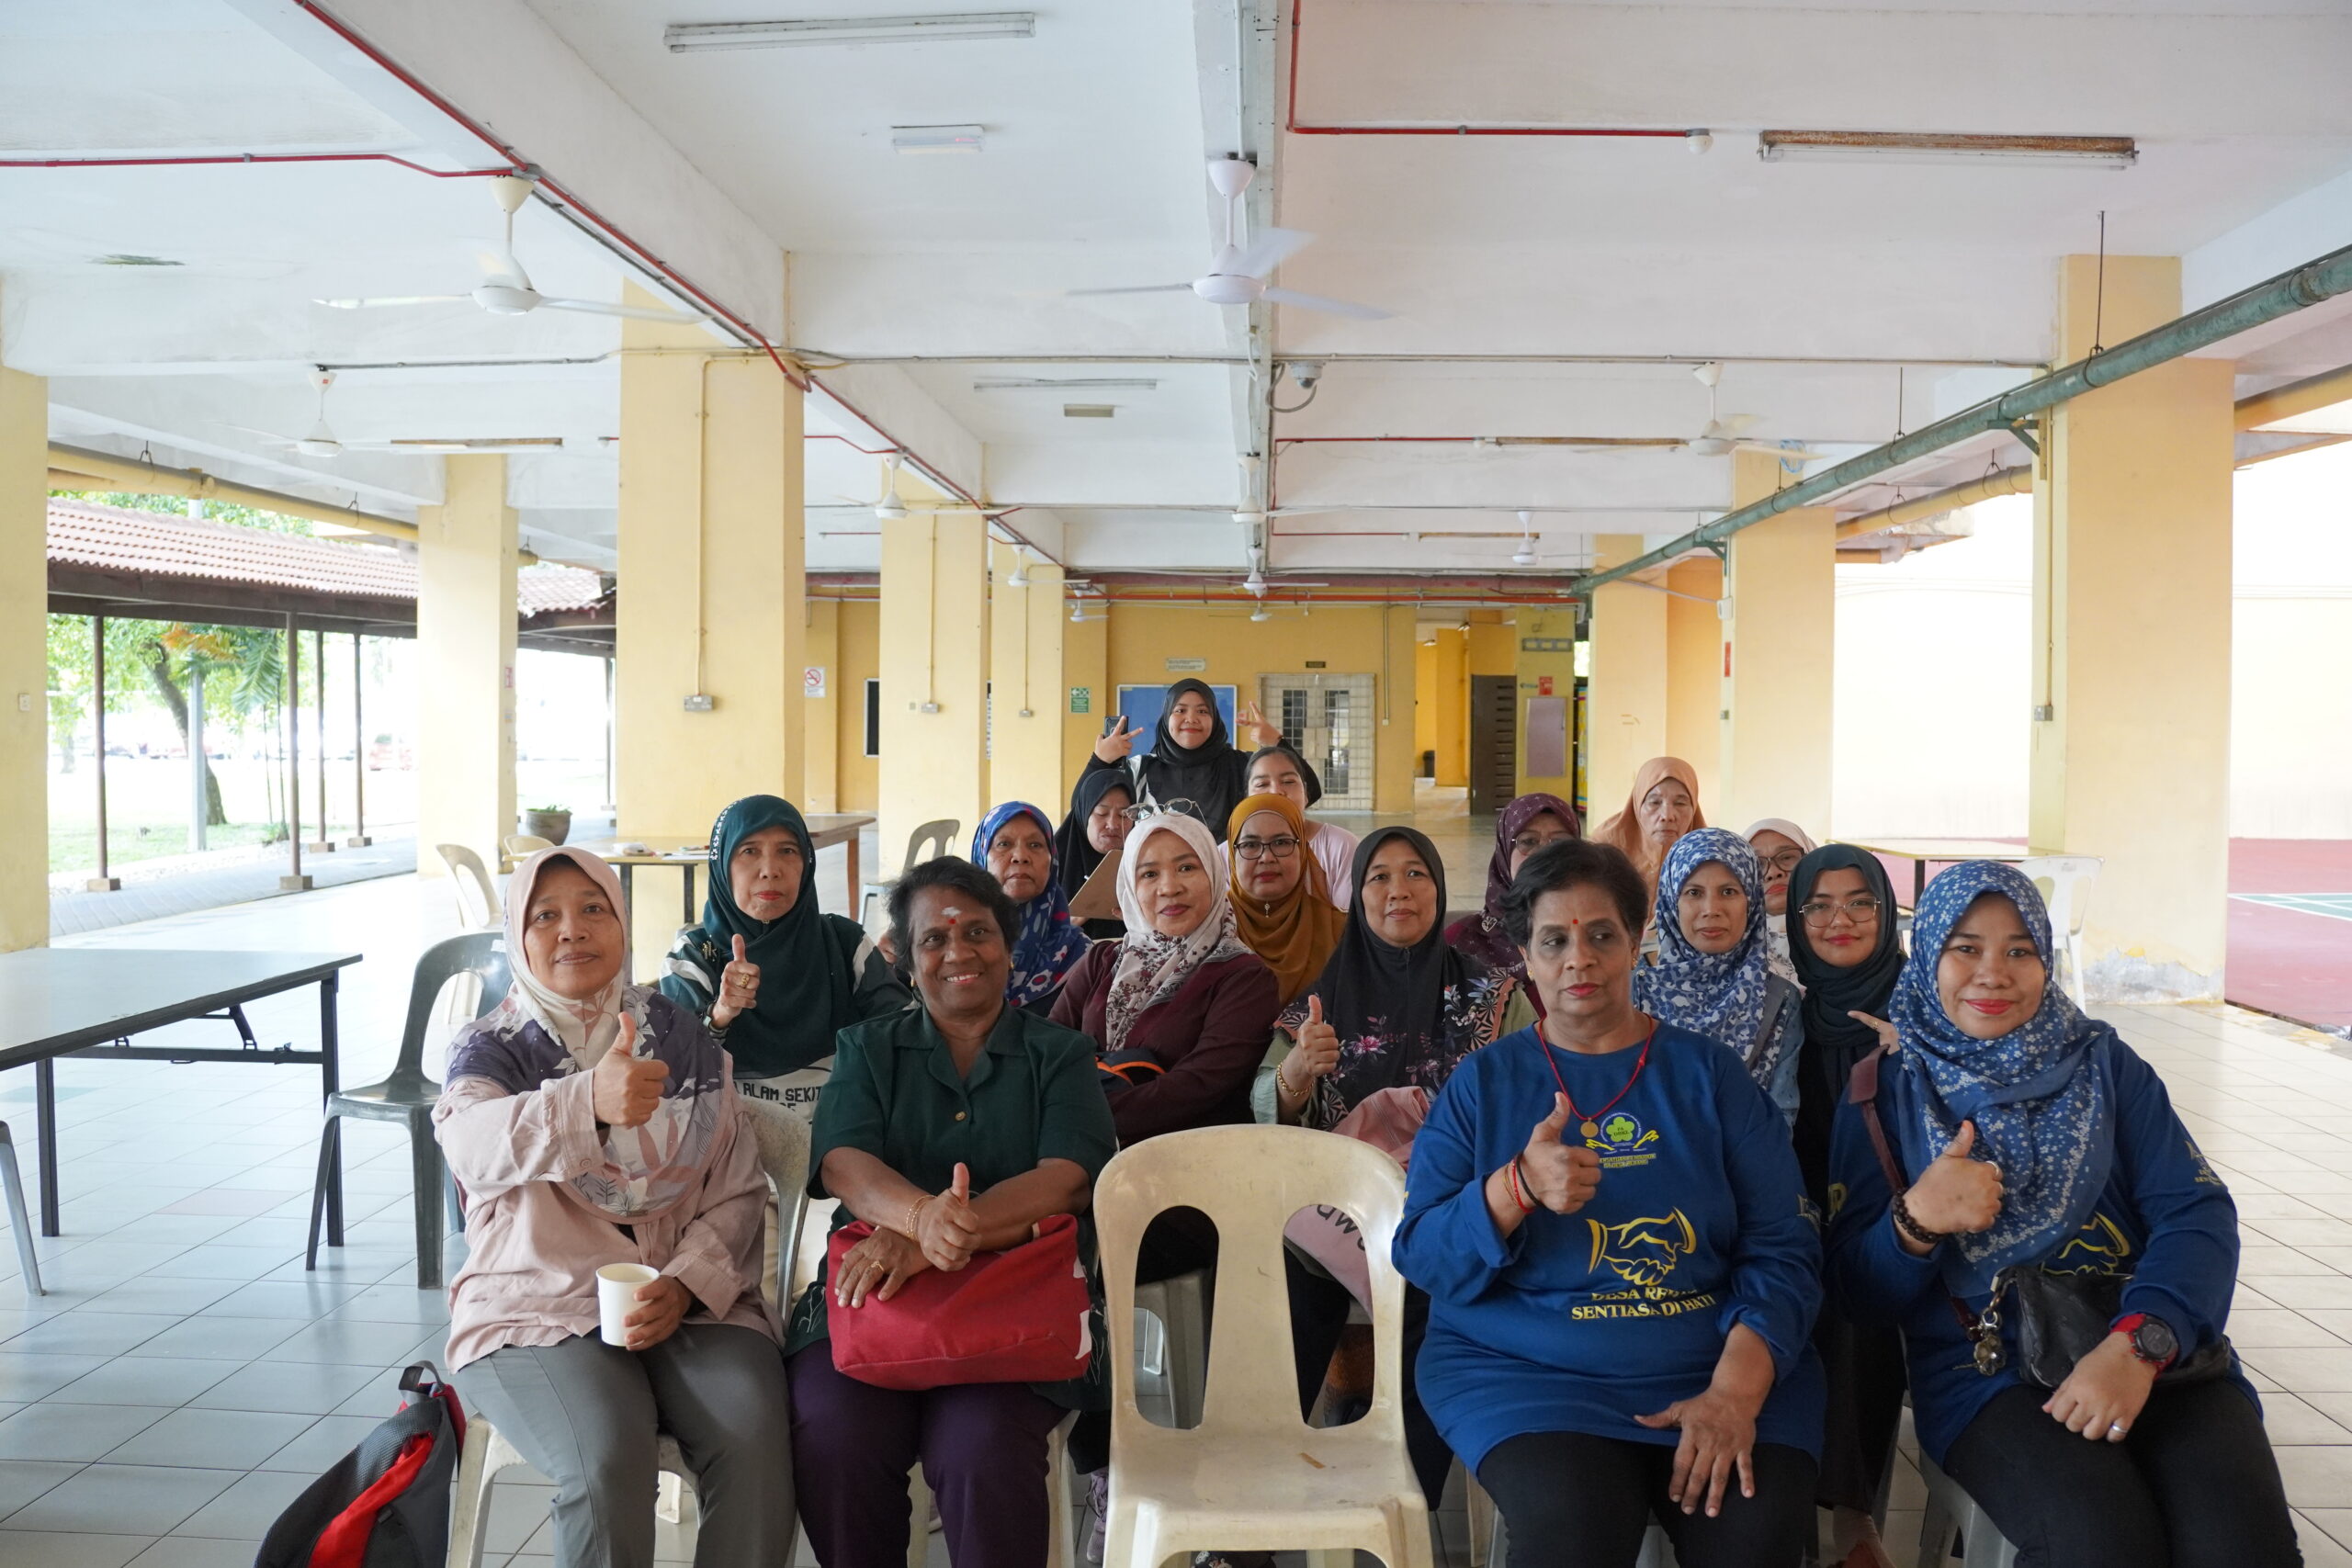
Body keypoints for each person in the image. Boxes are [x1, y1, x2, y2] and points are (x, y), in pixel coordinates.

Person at [1826, 863, 2297, 1568]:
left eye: (2020, 949)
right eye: (1965, 948)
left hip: (2152, 1347)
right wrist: (1915, 1220)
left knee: (2240, 1544)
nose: (1994, 972)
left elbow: (2196, 1213)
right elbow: (1855, 1291)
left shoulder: (2105, 1066)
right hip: (1991, 1373)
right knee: (2100, 1540)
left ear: (2046, 960)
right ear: (1926, 958)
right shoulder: (1884, 1094)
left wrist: (2141, 1342)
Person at [1397, 839, 1825, 1568]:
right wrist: (1514, 1187)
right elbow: (1423, 1254)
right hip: (1527, 1374)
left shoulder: (1711, 1077)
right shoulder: (1483, 1085)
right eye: (1554, 941)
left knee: (1755, 1536)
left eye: (1601, 935)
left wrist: (1734, 1390)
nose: (1579, 959)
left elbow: (1785, 1245)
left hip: (1714, 1363)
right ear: (1526, 958)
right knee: (1574, 1529)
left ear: (1636, 939)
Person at [438, 847, 793, 1568]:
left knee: (756, 1437)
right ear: (518, 935)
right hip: (541, 1305)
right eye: (546, 915)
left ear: (623, 923)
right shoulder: (489, 1048)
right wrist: (584, 1102)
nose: (571, 929)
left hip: (691, 1301)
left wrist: (687, 1281)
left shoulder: (682, 1039)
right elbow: (470, 1146)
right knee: (607, 1456)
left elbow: (737, 1186)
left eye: (592, 908)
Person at [786, 857, 1118, 1568]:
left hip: (1016, 1305)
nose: (958, 950)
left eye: (977, 932)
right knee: (835, 1433)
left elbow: (1066, 1179)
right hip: (873, 1299)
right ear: (906, 962)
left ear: (1008, 944)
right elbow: (842, 1160)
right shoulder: (865, 1048)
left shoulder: (1062, 1054)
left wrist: (927, 1240)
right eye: (933, 939)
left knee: (982, 1448)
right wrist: (919, 1217)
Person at [1258, 826, 1512, 1507]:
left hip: (1450, 1209)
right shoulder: (1320, 1000)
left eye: (1416, 873)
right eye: (1379, 877)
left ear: (1439, 887)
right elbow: (1266, 1110)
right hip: (1335, 1216)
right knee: (1279, 1289)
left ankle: (1397, 1507)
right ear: (1358, 894)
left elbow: (1524, 1097)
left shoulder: (1493, 994)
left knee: (1436, 1297)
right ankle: (1251, 1514)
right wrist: (1296, 1073)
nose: (1399, 890)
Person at [1049, 807, 1282, 1489]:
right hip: (1091, 1182)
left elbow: (1198, 1088)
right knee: (1041, 1239)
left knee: (1076, 1252)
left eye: (1186, 868)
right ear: (1129, 885)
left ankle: (1102, 1462)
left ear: (1214, 875)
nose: (1169, 887)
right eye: (1149, 873)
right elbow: (1048, 1058)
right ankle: (1049, 1444)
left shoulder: (1242, 976)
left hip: (1191, 1195)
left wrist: (1085, 1122)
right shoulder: (1101, 962)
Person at [1782, 844, 1907, 1568]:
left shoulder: (1927, 1003)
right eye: (1819, 905)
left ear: (1887, 911)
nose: (1841, 920)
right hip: (1809, 1216)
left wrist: (1913, 1062)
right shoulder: (1788, 1016)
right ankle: (1786, 1507)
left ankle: (1851, 1519)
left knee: (1856, 1290)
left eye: (1860, 902)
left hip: (1907, 1223)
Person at [661, 795, 910, 1118]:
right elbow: (675, 1070)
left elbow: (906, 1037)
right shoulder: (693, 958)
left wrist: (916, 969)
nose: (770, 870)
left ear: (806, 863)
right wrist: (720, 1013)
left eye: (787, 851)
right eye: (749, 851)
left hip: (839, 1129)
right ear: (722, 864)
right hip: (731, 1135)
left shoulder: (845, 944)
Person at [1632, 828, 1803, 1125]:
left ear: (1752, 900)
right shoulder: (1634, 992)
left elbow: (1780, 1115)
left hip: (1748, 1153)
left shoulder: (1779, 998)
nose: (1711, 910)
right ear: (1671, 900)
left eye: (1728, 892)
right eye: (1694, 893)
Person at [1082, 677, 1282, 840]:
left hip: (1227, 876)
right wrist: (1100, 761)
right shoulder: (1139, 769)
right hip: (1153, 876)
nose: (1191, 718)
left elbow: (1298, 791)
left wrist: (1278, 743)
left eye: (1202, 711)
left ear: (1214, 719)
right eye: (1180, 710)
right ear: (1167, 717)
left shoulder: (1243, 766)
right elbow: (1082, 811)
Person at [1445, 792, 1580, 989]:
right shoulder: (1463, 942)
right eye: (1529, 841)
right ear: (1505, 852)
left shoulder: (1598, 934)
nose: (1543, 854)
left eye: (1560, 843)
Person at [1226, 792, 1346, 1007]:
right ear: (1232, 855)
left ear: (1302, 850)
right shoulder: (1209, 928)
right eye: (1250, 845)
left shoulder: (1340, 931)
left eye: (1281, 842)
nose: (1266, 857)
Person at [971, 802, 1090, 1014]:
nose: (1020, 856)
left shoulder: (1082, 958)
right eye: (1003, 844)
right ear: (981, 856)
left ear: (1052, 860)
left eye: (1035, 845)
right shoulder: (954, 949)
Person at [1245, 742, 1359, 907]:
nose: (1276, 791)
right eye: (1262, 784)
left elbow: (1347, 916)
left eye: (1288, 781)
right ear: (1246, 798)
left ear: (1305, 794)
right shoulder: (1225, 855)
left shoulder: (1341, 847)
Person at [1595, 756, 1704, 897]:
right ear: (1637, 804)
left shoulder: (1707, 855)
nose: (1667, 816)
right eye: (1654, 802)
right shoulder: (1604, 849)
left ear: (1693, 808)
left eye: (1680, 803)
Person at [1053, 769, 1134, 940]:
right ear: (1085, 814)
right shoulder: (1049, 865)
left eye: (1123, 815)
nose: (1113, 824)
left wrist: (1139, 922)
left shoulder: (1143, 863)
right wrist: (1068, 924)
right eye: (1102, 813)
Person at [1744, 818, 1818, 983]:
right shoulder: (1731, 948)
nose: (1773, 873)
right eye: (1757, 864)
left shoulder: (1842, 927)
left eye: (1787, 857)